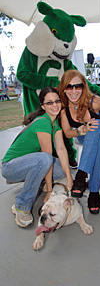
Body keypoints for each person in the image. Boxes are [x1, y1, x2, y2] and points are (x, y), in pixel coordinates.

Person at [1, 87, 73, 228]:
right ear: (43, 106)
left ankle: (34, 180)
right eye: (49, 103)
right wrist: (50, 190)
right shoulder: (43, 122)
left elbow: (61, 149)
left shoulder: (55, 123)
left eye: (57, 101)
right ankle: (22, 205)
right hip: (10, 167)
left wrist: (69, 177)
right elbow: (46, 156)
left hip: (29, 162)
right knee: (46, 159)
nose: (55, 105)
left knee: (60, 169)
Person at [58, 69, 100, 214]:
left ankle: (81, 175)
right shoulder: (64, 110)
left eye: (78, 86)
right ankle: (94, 193)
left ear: (84, 87)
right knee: (97, 141)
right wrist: (80, 130)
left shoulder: (94, 102)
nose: (74, 91)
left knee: (95, 124)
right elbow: (67, 133)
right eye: (69, 86)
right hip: (89, 134)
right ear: (64, 89)